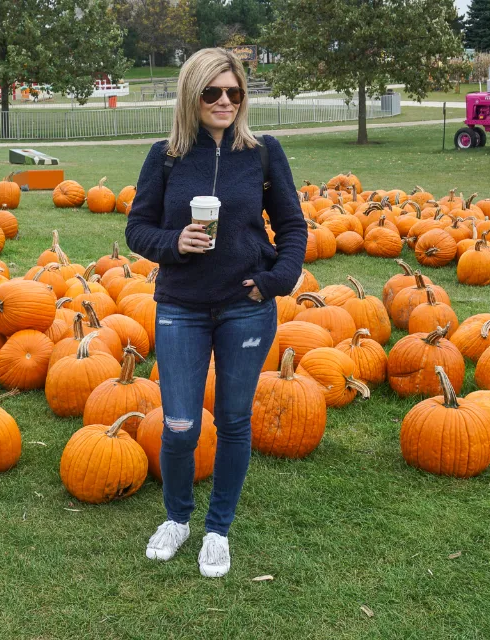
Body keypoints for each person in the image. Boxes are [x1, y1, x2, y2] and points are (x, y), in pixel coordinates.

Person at [125, 48, 307, 578]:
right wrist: (174, 241)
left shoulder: (264, 154)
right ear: (192, 95)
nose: (224, 101)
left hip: (245, 307)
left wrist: (275, 281)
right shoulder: (166, 157)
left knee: (232, 420)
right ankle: (178, 518)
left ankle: (217, 528)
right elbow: (137, 229)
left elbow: (293, 228)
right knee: (180, 425)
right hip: (180, 306)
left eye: (234, 92)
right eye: (212, 93)